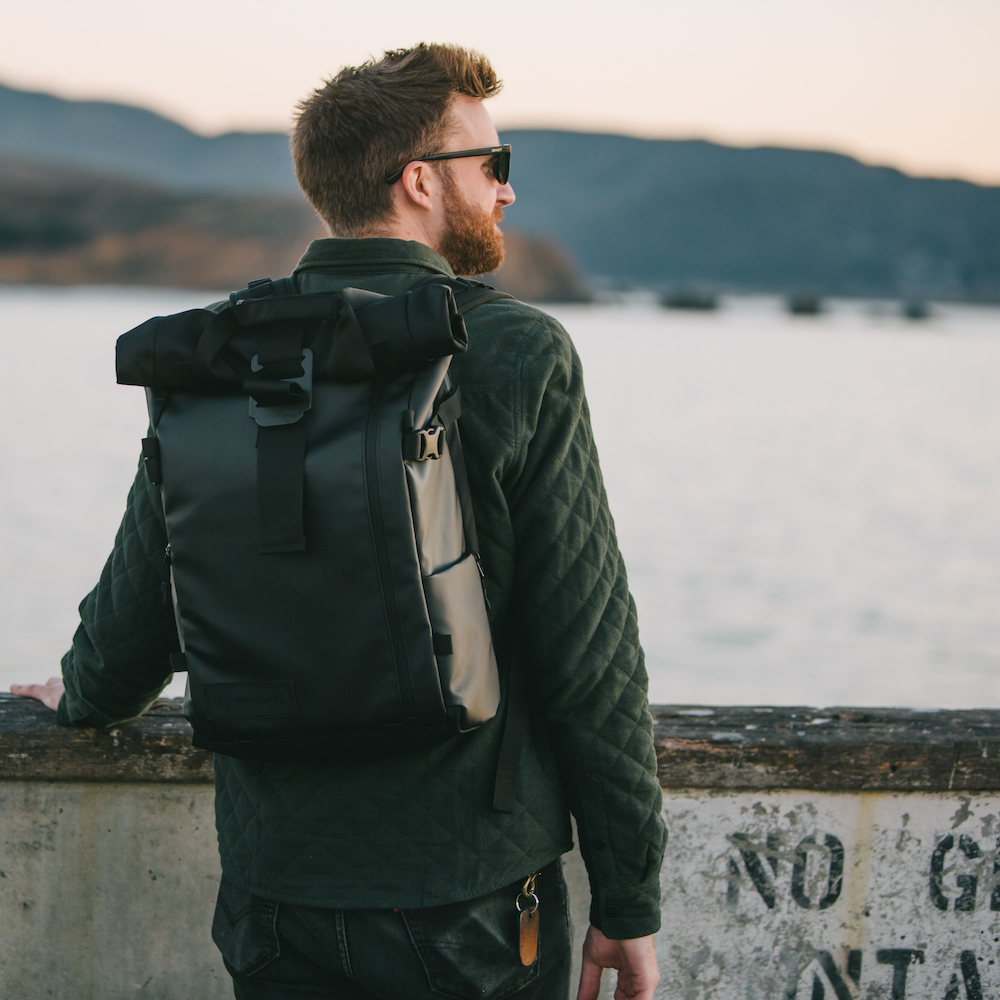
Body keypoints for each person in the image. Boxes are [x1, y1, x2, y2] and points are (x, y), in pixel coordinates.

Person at [13, 43, 666, 1000]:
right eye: (493, 163)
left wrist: (78, 695)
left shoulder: (219, 351)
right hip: (471, 893)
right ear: (419, 181)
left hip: (274, 896)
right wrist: (629, 893)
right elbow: (590, 653)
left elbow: (133, 626)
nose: (507, 189)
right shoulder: (516, 350)